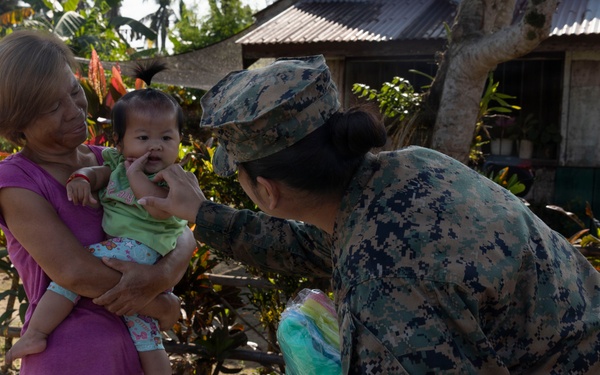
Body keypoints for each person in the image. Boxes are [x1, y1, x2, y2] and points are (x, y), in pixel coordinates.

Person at [138, 55, 600, 374]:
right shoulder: (411, 169)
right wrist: (203, 213)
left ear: (266, 190)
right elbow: (307, 242)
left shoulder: (382, 280)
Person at [0, 30, 195, 374]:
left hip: (138, 352)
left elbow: (184, 230)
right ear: (18, 121)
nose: (75, 110)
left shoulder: (113, 161)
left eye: (74, 91)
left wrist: (162, 275)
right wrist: (159, 302)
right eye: (53, 106)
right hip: (74, 356)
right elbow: (75, 272)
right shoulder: (16, 181)